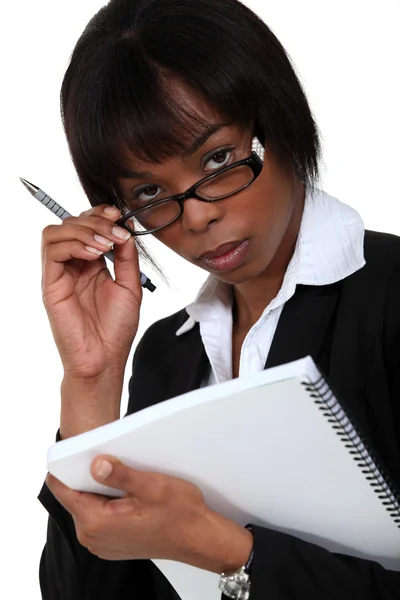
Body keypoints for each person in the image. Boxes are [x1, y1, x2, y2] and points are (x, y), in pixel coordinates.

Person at [38, 0, 400, 598]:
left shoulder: (389, 300)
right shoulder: (165, 357)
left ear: (277, 118)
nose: (199, 216)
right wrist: (91, 380)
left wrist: (229, 551)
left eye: (217, 159)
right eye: (150, 191)